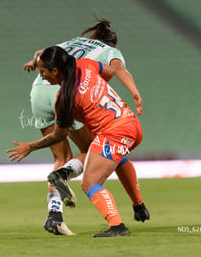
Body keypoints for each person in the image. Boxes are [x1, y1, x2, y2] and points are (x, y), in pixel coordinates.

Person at [23, 18, 148, 235]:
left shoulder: (72, 44)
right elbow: (117, 71)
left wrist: (35, 64)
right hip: (75, 91)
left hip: (40, 92)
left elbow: (40, 53)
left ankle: (54, 215)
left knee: (62, 157)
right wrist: (134, 93)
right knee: (94, 152)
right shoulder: (103, 56)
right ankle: (130, 208)